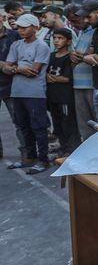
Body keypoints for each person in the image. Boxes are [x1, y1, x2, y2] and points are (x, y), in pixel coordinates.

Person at [2, 14, 51, 174]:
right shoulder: (16, 44)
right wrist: (19, 68)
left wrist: (15, 68)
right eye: (20, 27)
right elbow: (7, 67)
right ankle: (30, 157)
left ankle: (43, 160)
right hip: (17, 92)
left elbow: (33, 71)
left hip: (35, 93)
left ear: (35, 28)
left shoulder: (41, 46)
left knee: (39, 127)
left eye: (25, 27)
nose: (21, 30)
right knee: (23, 126)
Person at [46, 28, 80, 158]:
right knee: (58, 123)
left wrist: (49, 77)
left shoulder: (69, 57)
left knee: (68, 123)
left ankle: (71, 149)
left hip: (65, 97)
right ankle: (63, 146)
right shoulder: (51, 56)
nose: (56, 41)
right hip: (52, 96)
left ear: (68, 41)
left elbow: (66, 78)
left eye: (60, 38)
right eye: (54, 38)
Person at [68, 3, 96, 141]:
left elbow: (93, 56)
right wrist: (73, 56)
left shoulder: (96, 32)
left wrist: (81, 57)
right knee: (84, 126)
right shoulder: (82, 33)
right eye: (71, 21)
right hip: (78, 85)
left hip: (92, 85)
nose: (74, 24)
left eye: (75, 20)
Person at [0, 10, 24, 160]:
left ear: (2, 18)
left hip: (12, 85)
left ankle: (26, 154)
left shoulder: (14, 36)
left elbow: (23, 56)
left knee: (19, 121)